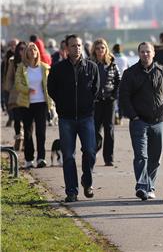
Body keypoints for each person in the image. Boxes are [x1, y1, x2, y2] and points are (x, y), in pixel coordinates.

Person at [119, 42, 163, 201]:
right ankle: (141, 186)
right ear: (138, 54)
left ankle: (150, 186)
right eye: (142, 52)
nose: (145, 54)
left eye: (148, 52)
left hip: (158, 121)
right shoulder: (130, 73)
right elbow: (124, 97)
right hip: (139, 121)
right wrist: (133, 116)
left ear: (154, 53)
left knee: (155, 158)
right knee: (141, 156)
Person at [47, 34, 100, 203]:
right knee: (68, 156)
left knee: (90, 152)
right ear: (66, 48)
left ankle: (87, 181)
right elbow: (51, 89)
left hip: (86, 117)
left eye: (78, 45)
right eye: (73, 46)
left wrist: (87, 104)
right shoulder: (58, 68)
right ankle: (71, 191)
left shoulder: (91, 67)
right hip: (66, 118)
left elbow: (96, 90)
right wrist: (62, 103)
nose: (76, 48)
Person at [14, 43, 52, 168]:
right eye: (30, 50)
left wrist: (52, 104)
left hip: (41, 103)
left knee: (41, 132)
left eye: (34, 49)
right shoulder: (21, 67)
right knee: (28, 132)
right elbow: (17, 84)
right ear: (26, 53)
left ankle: (41, 158)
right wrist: (27, 89)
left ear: (37, 52)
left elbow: (49, 86)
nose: (32, 51)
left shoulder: (44, 67)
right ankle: (29, 159)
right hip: (26, 103)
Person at [90, 39, 121, 166]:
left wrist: (114, 95)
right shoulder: (90, 64)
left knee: (109, 129)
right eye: (97, 48)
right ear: (94, 50)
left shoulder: (112, 64)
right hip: (96, 102)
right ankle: (95, 150)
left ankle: (109, 158)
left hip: (109, 101)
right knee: (95, 129)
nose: (100, 50)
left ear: (106, 49)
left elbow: (119, 81)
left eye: (102, 48)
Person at [3, 41, 26, 149]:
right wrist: (11, 89)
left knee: (28, 120)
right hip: (16, 95)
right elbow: (9, 78)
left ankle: (27, 139)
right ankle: (18, 139)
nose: (22, 50)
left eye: (24, 48)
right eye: (20, 48)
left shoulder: (31, 60)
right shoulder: (12, 61)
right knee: (17, 119)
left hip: (28, 95)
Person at [111, 43, 128, 125]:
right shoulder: (124, 58)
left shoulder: (112, 57)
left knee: (114, 99)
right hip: (123, 80)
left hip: (113, 80)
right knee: (121, 99)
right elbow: (127, 68)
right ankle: (120, 118)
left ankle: (115, 116)